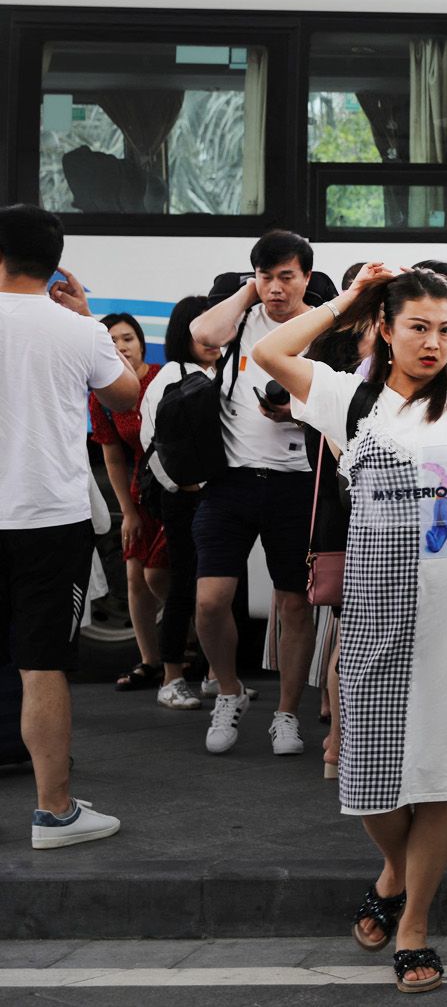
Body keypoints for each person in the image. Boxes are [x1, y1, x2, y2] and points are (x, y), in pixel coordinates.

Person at [255, 263, 447, 995]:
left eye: (446, 330)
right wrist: (350, 300)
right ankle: (393, 869)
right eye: (416, 327)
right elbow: (269, 353)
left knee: (444, 779)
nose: (433, 342)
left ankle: (415, 922)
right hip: (376, 619)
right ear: (386, 332)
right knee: (369, 786)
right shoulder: (346, 398)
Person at [0, 204, 140, 848]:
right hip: (48, 519)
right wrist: (86, 318)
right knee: (41, 665)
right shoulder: (78, 331)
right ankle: (54, 813)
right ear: (54, 262)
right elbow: (126, 396)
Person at [187, 230, 324, 756]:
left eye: (286, 277)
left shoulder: (322, 326)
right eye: (266, 277)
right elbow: (202, 333)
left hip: (297, 482)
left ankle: (286, 713)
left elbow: (347, 392)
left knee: (293, 603)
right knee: (210, 600)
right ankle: (229, 690)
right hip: (232, 480)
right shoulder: (243, 317)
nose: (275, 288)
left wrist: (298, 411)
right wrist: (247, 293)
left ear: (306, 278)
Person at [140, 296, 223, 711]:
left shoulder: (223, 372)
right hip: (185, 500)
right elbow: (153, 448)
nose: (212, 338)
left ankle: (215, 676)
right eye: (201, 330)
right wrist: (187, 486)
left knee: (220, 592)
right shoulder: (170, 379)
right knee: (184, 588)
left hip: (217, 497)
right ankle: (171, 677)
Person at [90, 313, 170, 695]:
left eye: (127, 339)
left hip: (174, 488)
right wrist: (129, 511)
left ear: (142, 343)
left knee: (173, 575)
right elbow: (113, 457)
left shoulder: (164, 378)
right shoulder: (103, 395)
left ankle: (190, 652)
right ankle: (150, 661)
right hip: (142, 489)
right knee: (135, 576)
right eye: (112, 341)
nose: (121, 347)